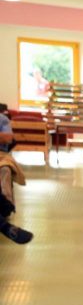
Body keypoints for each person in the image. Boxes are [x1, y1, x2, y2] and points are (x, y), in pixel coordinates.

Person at [0, 105, 32, 244]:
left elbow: (8, 138)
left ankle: (4, 211)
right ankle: (4, 225)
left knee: (5, 169)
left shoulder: (2, 119)